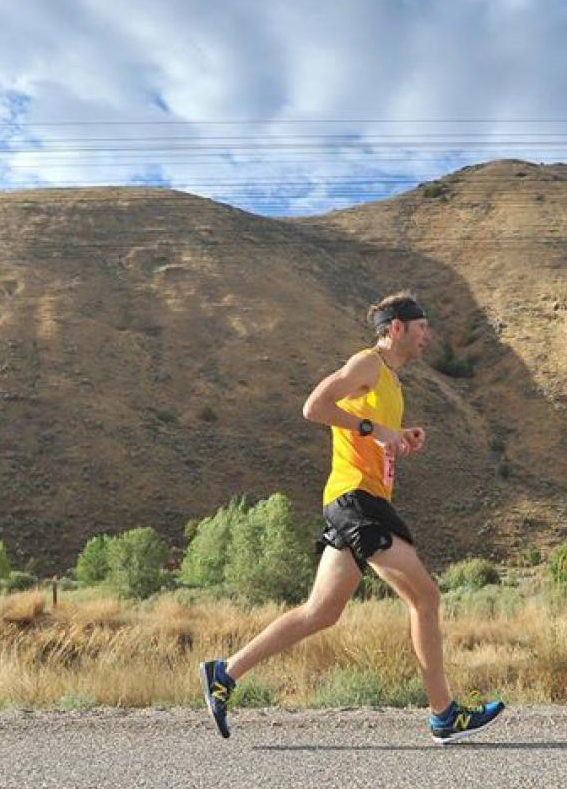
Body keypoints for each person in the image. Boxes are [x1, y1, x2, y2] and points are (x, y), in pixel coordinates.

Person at [199, 291, 506, 744]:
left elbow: (370, 432)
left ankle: (225, 673)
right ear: (396, 328)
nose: (427, 336)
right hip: (355, 500)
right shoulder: (367, 364)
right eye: (421, 327)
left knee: (320, 612)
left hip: (360, 501)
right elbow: (314, 408)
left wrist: (397, 435)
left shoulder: (392, 385)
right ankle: (444, 714)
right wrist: (375, 429)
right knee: (425, 597)